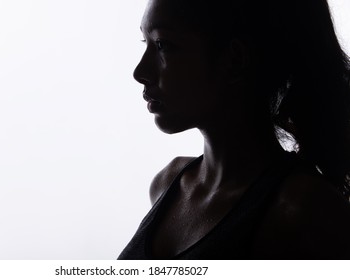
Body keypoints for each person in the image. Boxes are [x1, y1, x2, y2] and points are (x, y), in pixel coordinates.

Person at [118, 0, 350, 259]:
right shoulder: (167, 183)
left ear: (235, 59)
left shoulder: (304, 212)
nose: (140, 72)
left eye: (163, 45)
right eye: (145, 42)